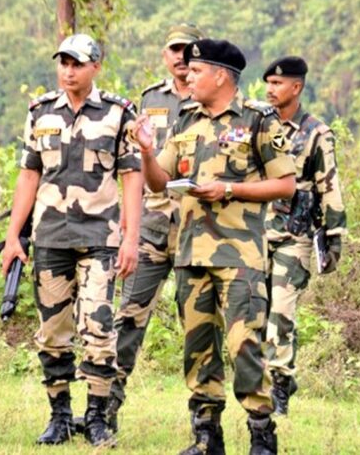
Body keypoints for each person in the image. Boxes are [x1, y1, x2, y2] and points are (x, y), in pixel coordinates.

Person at [136, 38, 295, 455]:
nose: (187, 76)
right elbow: (157, 181)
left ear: (221, 75)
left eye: (196, 70)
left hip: (239, 256)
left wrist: (229, 188)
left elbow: (286, 184)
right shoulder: (186, 120)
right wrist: (147, 152)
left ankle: (261, 434)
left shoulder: (258, 119)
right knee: (198, 350)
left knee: (244, 346)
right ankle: (206, 436)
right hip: (191, 254)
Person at [0, 34, 143, 447]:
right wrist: (13, 236)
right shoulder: (41, 112)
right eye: (63, 62)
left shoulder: (118, 113)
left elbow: (131, 177)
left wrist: (131, 238)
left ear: (96, 66)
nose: (68, 70)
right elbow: (29, 175)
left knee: (98, 327)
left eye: (77, 63)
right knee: (52, 332)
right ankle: (59, 416)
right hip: (50, 238)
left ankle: (96, 417)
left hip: (101, 237)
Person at [108, 23, 205, 428]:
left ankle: (204, 421)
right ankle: (104, 408)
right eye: (174, 50)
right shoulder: (150, 99)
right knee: (128, 317)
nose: (181, 58)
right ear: (165, 55)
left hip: (196, 228)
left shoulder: (214, 100)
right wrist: (126, 226)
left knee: (199, 324)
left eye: (187, 50)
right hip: (151, 225)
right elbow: (132, 165)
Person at [260, 55, 347, 415]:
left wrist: (335, 235)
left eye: (278, 84)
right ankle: (258, 383)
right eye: (267, 83)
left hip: (293, 236)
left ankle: (279, 388)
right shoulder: (257, 125)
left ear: (296, 87)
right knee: (254, 313)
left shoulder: (315, 133)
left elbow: (329, 185)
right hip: (252, 234)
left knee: (281, 313)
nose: (270, 89)